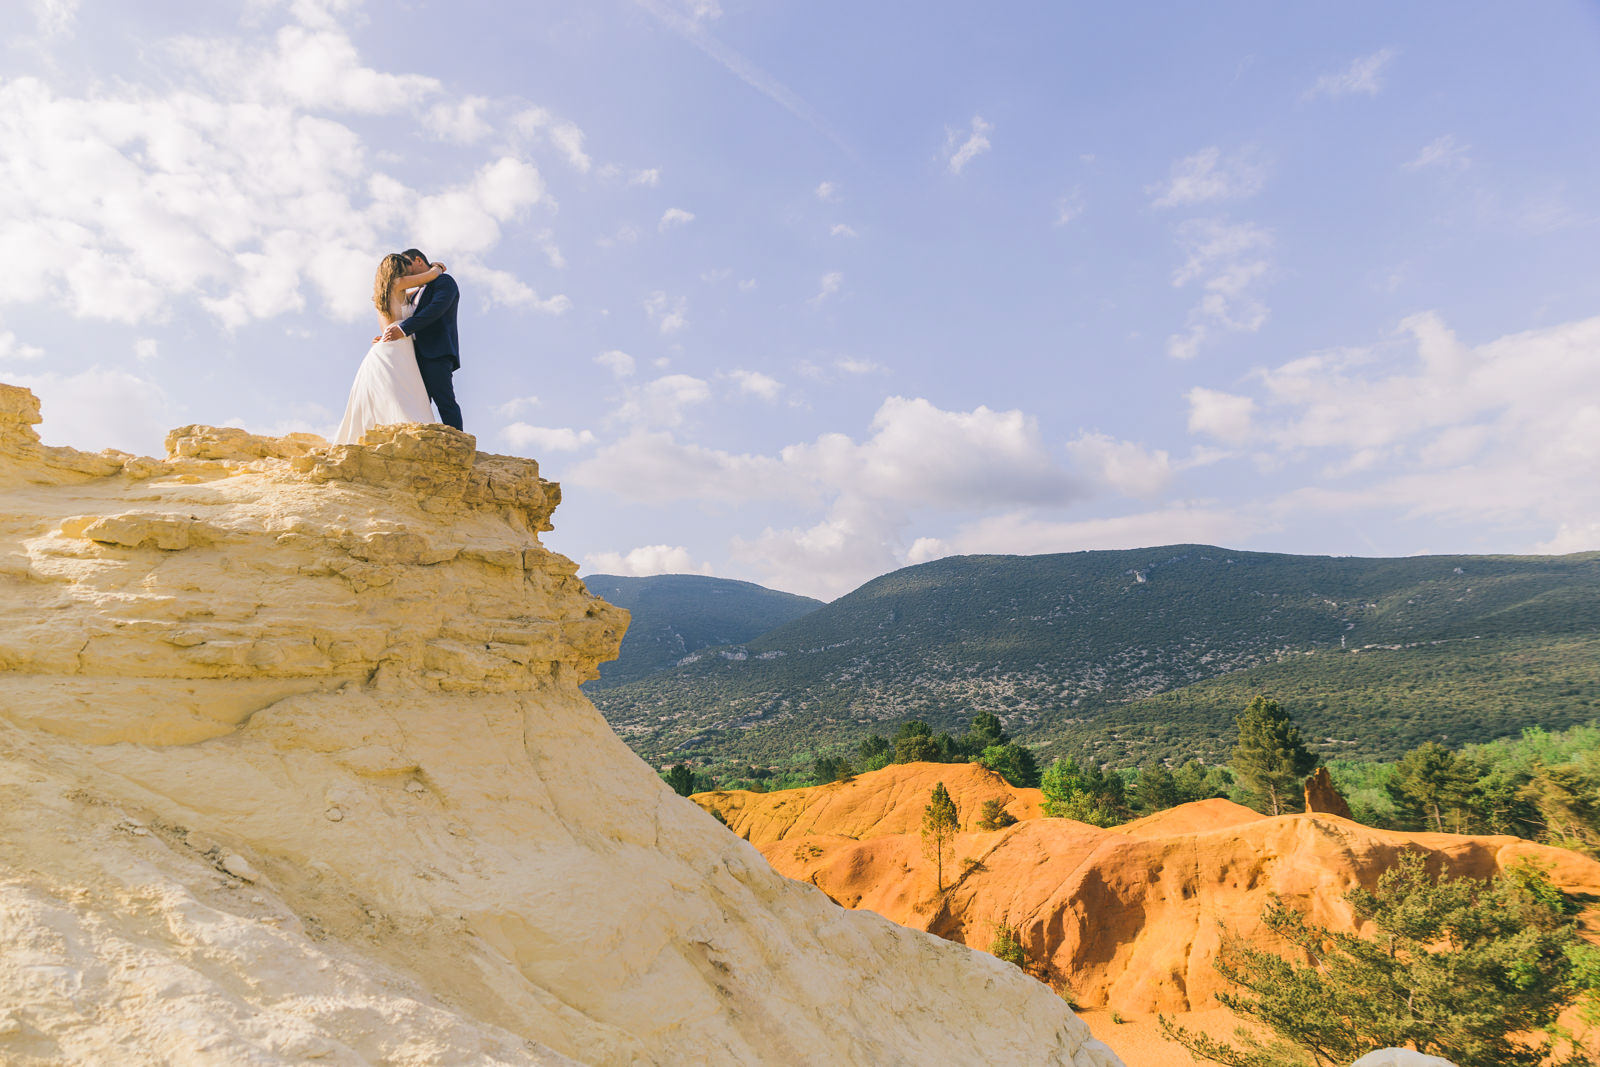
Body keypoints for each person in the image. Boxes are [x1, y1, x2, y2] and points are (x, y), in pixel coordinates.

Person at [333, 253, 444, 445]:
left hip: (390, 346)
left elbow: (419, 291)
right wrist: (438, 267)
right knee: (405, 394)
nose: (410, 270)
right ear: (399, 268)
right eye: (407, 267)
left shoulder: (383, 292)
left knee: (397, 393)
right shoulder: (398, 282)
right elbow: (428, 278)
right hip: (397, 348)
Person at [381, 248, 463, 431]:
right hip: (413, 355)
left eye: (406, 265)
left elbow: (436, 309)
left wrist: (402, 329)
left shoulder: (444, 281)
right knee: (417, 404)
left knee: (445, 400)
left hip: (436, 351)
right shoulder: (414, 292)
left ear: (418, 260)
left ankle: (458, 444)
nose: (404, 271)